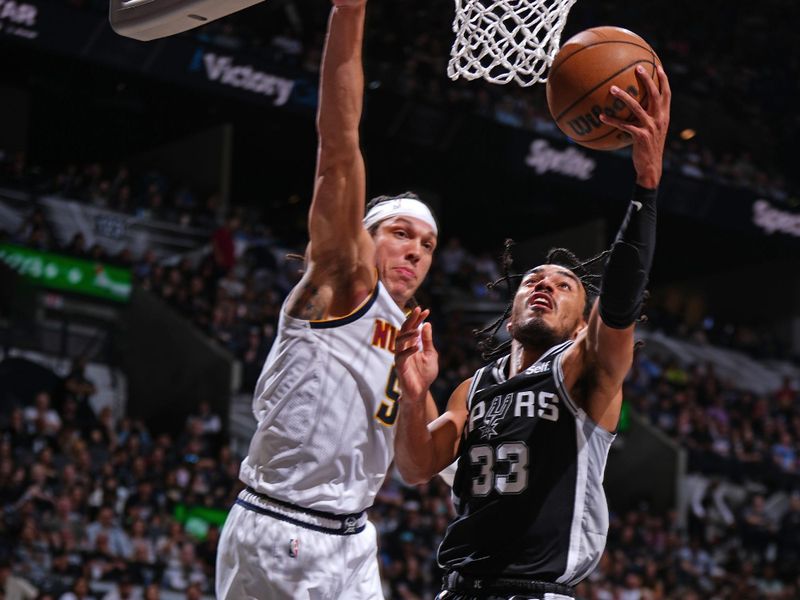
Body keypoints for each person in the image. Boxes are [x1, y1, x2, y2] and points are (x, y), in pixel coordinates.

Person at [393, 64, 670, 600]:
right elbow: (415, 466)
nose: (544, 286)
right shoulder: (473, 387)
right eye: (533, 280)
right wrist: (413, 394)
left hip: (533, 590)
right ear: (513, 301)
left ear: (582, 319)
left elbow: (618, 302)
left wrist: (647, 186)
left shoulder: (583, 371)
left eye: (564, 286)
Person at [215, 0, 439, 597]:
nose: (416, 251)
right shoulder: (343, 281)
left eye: (428, 244)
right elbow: (339, 145)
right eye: (400, 233)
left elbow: (418, 470)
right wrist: (350, 11)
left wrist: (420, 398)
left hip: (355, 539)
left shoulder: (409, 338)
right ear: (363, 238)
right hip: (284, 529)